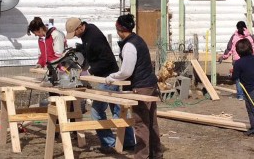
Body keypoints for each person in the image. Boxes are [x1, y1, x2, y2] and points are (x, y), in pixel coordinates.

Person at [65, 17, 135, 153]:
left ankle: (109, 143)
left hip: (109, 77)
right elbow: (92, 52)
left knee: (97, 111)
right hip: (106, 76)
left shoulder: (93, 37)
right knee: (119, 110)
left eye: (75, 33)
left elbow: (107, 60)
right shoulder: (88, 31)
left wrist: (89, 71)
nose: (76, 36)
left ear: (80, 27)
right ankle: (129, 142)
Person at [105, 14, 163, 159]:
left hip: (141, 87)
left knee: (141, 123)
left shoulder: (130, 45)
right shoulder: (137, 40)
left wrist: (111, 77)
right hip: (149, 84)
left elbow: (126, 71)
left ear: (119, 29)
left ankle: (142, 156)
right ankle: (156, 154)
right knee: (151, 123)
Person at [231, 38, 254, 136]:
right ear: (251, 48)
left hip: (252, 91)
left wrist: (234, 72)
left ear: (238, 51)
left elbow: (234, 77)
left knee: (252, 110)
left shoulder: (238, 63)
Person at [220, 21, 254, 100]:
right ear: (245, 27)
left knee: (238, 78)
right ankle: (248, 94)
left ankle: (240, 95)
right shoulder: (249, 36)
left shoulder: (234, 36)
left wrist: (224, 57)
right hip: (249, 60)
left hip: (237, 61)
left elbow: (229, 48)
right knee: (248, 77)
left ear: (237, 28)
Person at [28, 17, 67, 86]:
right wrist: (40, 63)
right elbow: (41, 54)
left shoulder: (56, 34)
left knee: (63, 91)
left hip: (61, 69)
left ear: (40, 29)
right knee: (52, 92)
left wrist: (50, 65)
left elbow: (59, 55)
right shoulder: (41, 39)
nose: (35, 35)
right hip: (50, 71)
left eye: (35, 33)